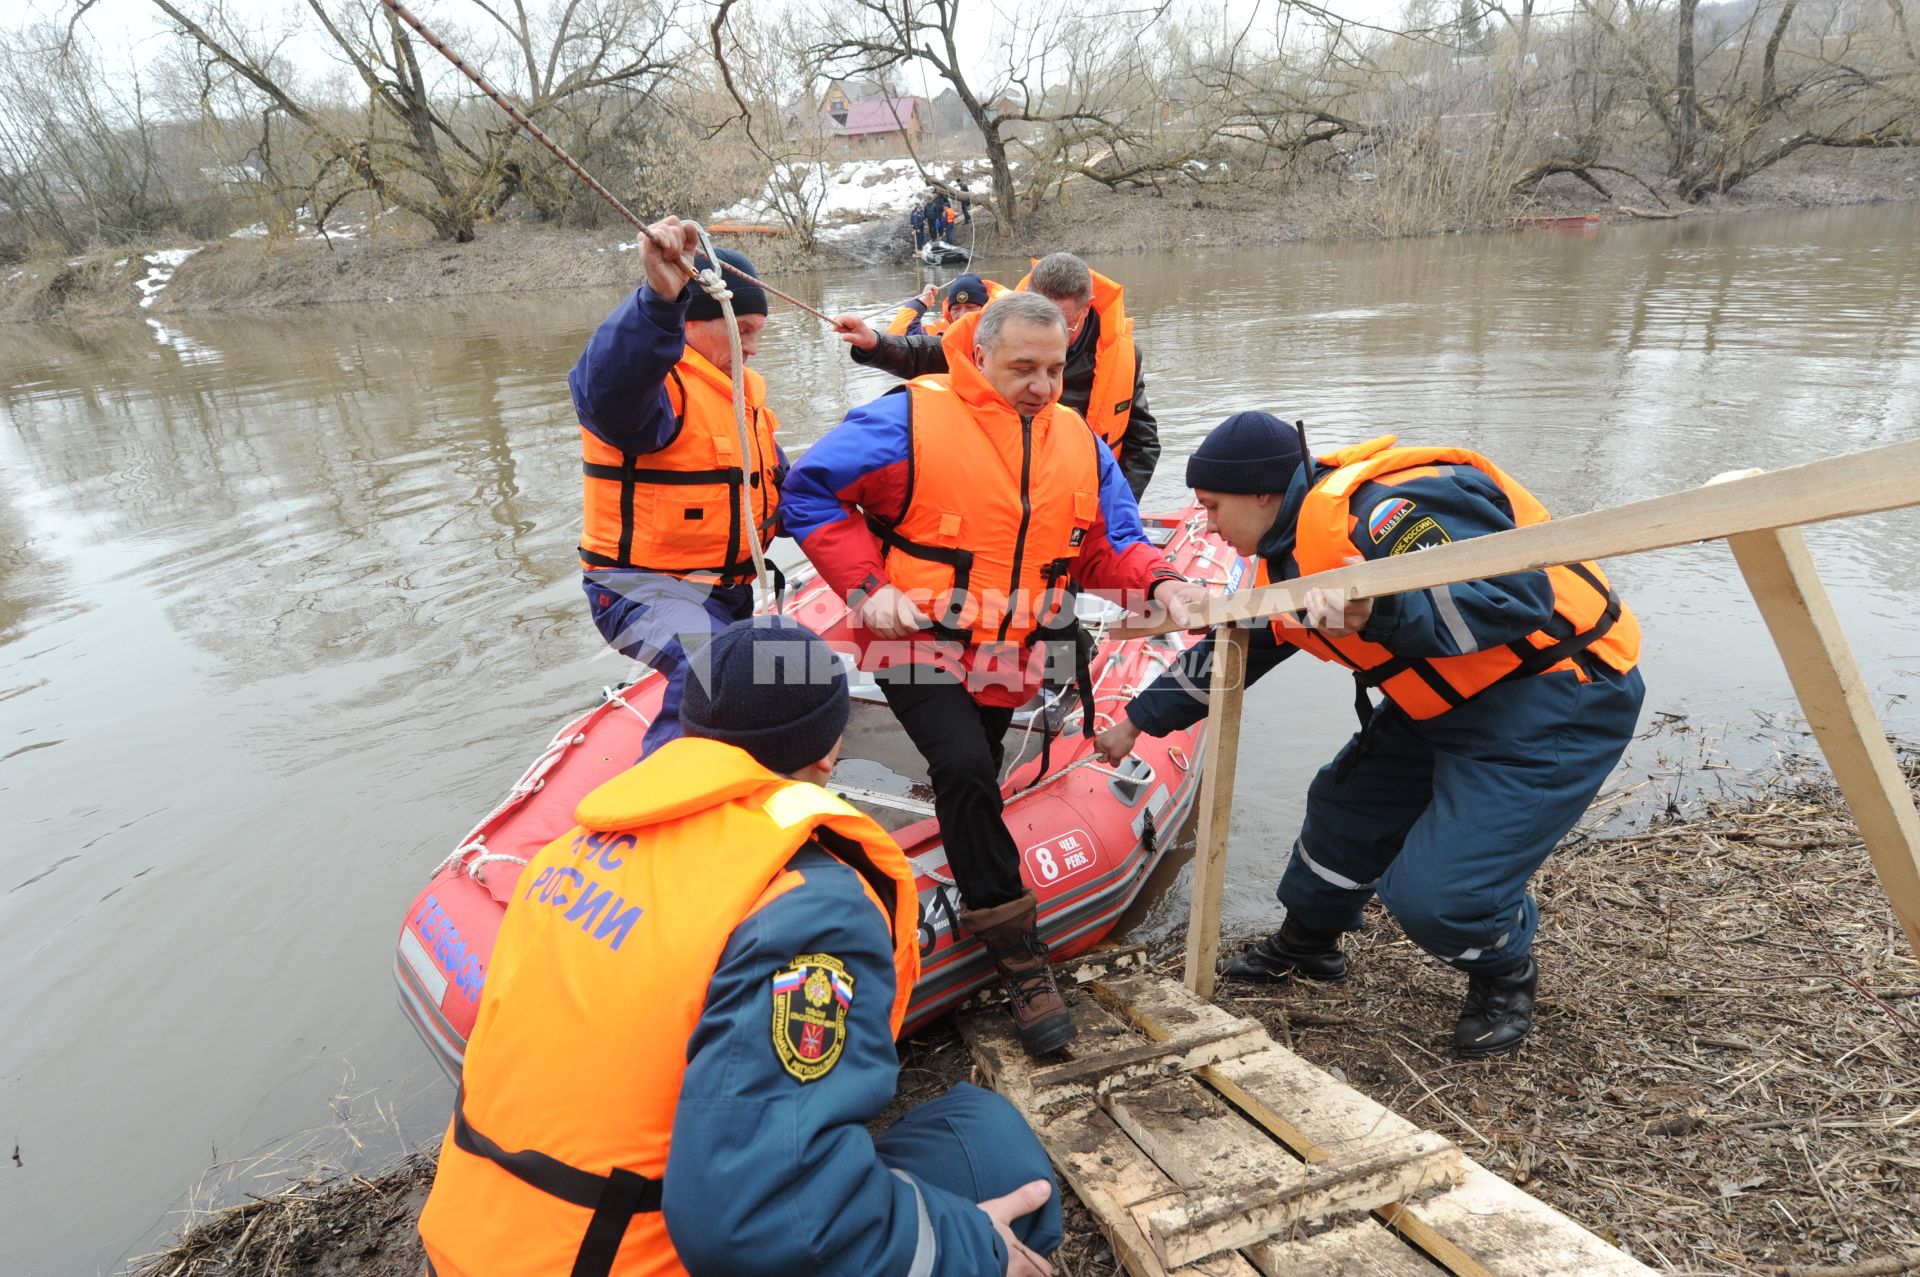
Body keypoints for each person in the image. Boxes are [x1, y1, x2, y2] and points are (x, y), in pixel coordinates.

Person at [418, 616, 1063, 1277]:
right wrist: (973, 1248)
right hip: (620, 1258)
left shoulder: (565, 854)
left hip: (471, 1244)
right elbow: (756, 1221)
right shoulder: (801, 902)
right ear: (829, 750)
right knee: (992, 1143)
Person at [1094, 413, 1645, 1057]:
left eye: (1213, 507)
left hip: (1552, 697)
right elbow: (1236, 650)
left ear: (1263, 494)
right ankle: (1308, 946)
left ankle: (1504, 974)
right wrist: (1137, 720)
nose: (1207, 525)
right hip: (1440, 699)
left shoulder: (1387, 516)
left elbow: (1512, 598)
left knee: (1438, 897)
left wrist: (1381, 609)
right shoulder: (1287, 556)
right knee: (1343, 811)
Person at [784, 294, 1208, 1057]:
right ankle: (1021, 958)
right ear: (979, 355)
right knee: (964, 766)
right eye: (1023, 368)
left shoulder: (1078, 440)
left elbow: (1110, 543)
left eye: (1053, 368)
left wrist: (1160, 582)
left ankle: (960, 858)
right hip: (915, 632)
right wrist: (866, 587)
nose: (1042, 385)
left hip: (1011, 643)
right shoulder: (906, 418)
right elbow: (809, 490)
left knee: (969, 772)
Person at [567, 215, 785, 755]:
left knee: (757, 676)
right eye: (744, 331)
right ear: (692, 324)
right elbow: (606, 391)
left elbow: (785, 486)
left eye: (758, 332)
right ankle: (662, 806)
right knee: (710, 669)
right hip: (637, 589)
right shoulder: (656, 386)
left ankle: (745, 768)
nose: (752, 348)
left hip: (723, 593)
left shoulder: (743, 395)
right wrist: (659, 301)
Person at [832, 252, 1162, 501]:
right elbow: (932, 352)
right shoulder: (994, 326)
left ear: (1087, 307)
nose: (1045, 330)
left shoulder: (1123, 357)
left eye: (1062, 322)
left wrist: (1118, 505)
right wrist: (875, 343)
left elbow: (1143, 443)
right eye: (1035, 312)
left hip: (1083, 498)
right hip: (1004, 495)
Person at [886, 273, 1003, 338]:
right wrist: (921, 302)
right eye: (956, 308)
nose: (962, 315)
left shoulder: (1001, 331)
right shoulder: (941, 334)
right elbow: (897, 338)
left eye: (971, 307)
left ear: (985, 307)